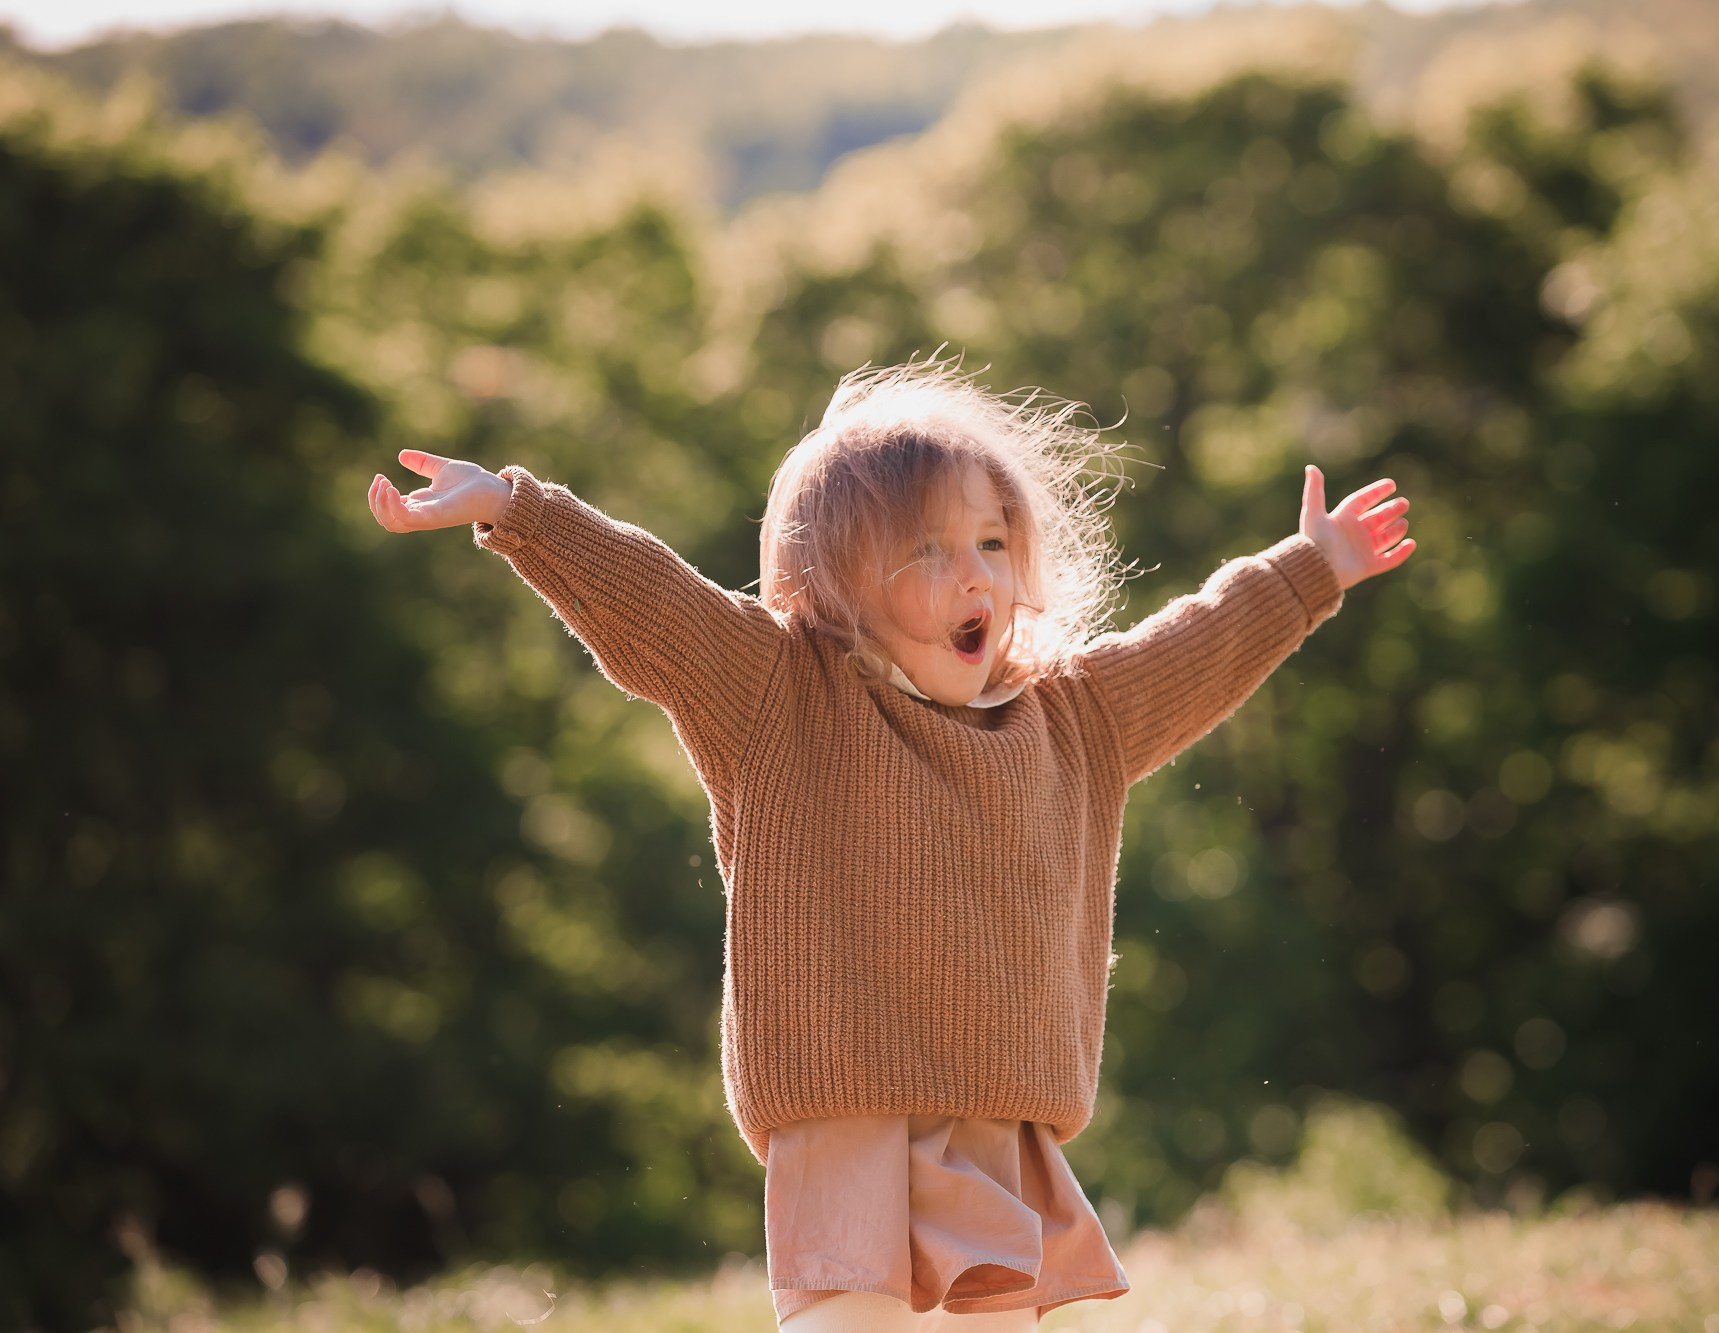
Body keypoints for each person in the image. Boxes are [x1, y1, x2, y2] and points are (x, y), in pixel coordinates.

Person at [366, 356, 1415, 1331]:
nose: (975, 578)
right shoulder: (780, 694)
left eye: (992, 543)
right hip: (842, 1117)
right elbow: (655, 600)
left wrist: (1305, 570)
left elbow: (1193, 645)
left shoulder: (1073, 719)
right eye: (924, 550)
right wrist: (517, 509)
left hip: (998, 1128)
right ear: (833, 582)